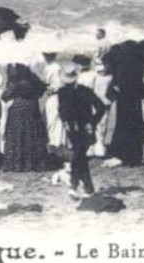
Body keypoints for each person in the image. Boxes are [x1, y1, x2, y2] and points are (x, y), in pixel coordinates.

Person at [57, 63, 106, 198]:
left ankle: (74, 185)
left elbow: (100, 107)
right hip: (76, 129)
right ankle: (88, 188)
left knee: (78, 156)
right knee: (80, 157)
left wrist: (92, 122)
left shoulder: (65, 92)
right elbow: (101, 108)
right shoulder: (81, 91)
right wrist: (92, 122)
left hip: (81, 129)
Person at [1, 64, 48, 172]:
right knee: (32, 133)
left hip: (18, 108)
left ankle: (17, 163)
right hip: (32, 107)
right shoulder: (34, 81)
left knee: (17, 134)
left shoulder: (15, 82)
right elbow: (42, 90)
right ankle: (33, 162)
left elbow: (5, 96)